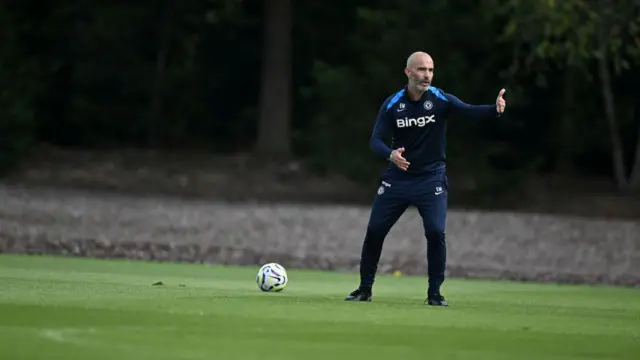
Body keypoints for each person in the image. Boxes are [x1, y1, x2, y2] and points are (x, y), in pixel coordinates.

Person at [345, 51, 507, 306]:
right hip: (397, 179)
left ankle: (434, 293)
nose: (427, 75)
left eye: (430, 70)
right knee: (375, 230)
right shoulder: (393, 104)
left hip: (431, 179)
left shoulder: (440, 99)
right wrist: (390, 155)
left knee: (435, 231)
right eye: (421, 70)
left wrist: (494, 110)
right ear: (408, 72)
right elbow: (375, 140)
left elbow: (468, 111)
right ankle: (364, 289)